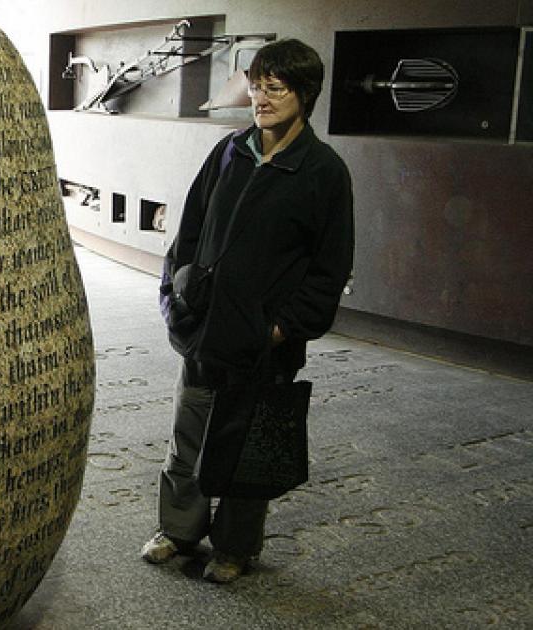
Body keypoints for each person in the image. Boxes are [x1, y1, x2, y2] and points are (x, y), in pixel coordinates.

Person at [143, 39, 354, 583]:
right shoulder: (230, 152)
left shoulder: (323, 172)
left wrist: (280, 329)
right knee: (187, 435)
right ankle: (179, 530)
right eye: (257, 86)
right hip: (205, 330)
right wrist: (177, 297)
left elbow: (329, 272)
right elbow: (189, 232)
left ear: (304, 94)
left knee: (247, 446)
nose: (261, 98)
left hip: (264, 343)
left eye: (275, 88)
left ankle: (235, 547)